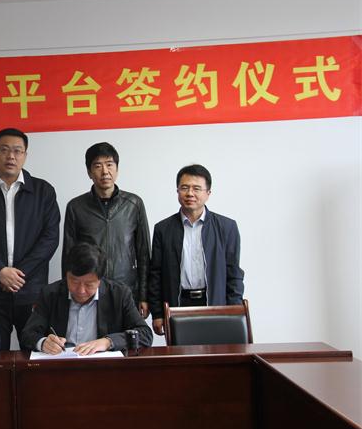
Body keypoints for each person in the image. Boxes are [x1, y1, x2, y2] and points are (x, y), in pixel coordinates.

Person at [0, 128, 60, 350]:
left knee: (36, 352)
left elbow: (50, 238)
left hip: (31, 289)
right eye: (4, 150)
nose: (11, 156)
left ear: (25, 155)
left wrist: (18, 275)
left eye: (17, 151)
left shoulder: (43, 191)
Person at [147, 164, 244, 336]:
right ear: (177, 191)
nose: (190, 193)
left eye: (196, 188)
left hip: (214, 304)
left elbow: (233, 273)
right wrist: (157, 313)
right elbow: (156, 274)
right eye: (184, 188)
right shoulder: (163, 229)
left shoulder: (227, 227)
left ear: (208, 193)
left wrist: (234, 310)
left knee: (216, 350)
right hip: (178, 305)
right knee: (180, 352)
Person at [62, 142, 151, 317]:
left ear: (117, 169)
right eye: (97, 166)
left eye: (109, 164)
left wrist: (144, 295)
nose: (105, 171)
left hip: (126, 289)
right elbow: (68, 255)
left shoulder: (134, 204)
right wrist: (70, 292)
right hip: (89, 289)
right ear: (89, 172)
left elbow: (143, 254)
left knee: (126, 333)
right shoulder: (76, 207)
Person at [21, 243, 153, 354]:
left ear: (100, 280)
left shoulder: (119, 294)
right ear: (67, 275)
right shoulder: (50, 294)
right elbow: (28, 334)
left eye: (89, 284)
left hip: (103, 368)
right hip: (62, 366)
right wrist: (43, 343)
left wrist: (108, 342)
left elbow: (145, 334)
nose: (81, 291)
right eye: (74, 282)